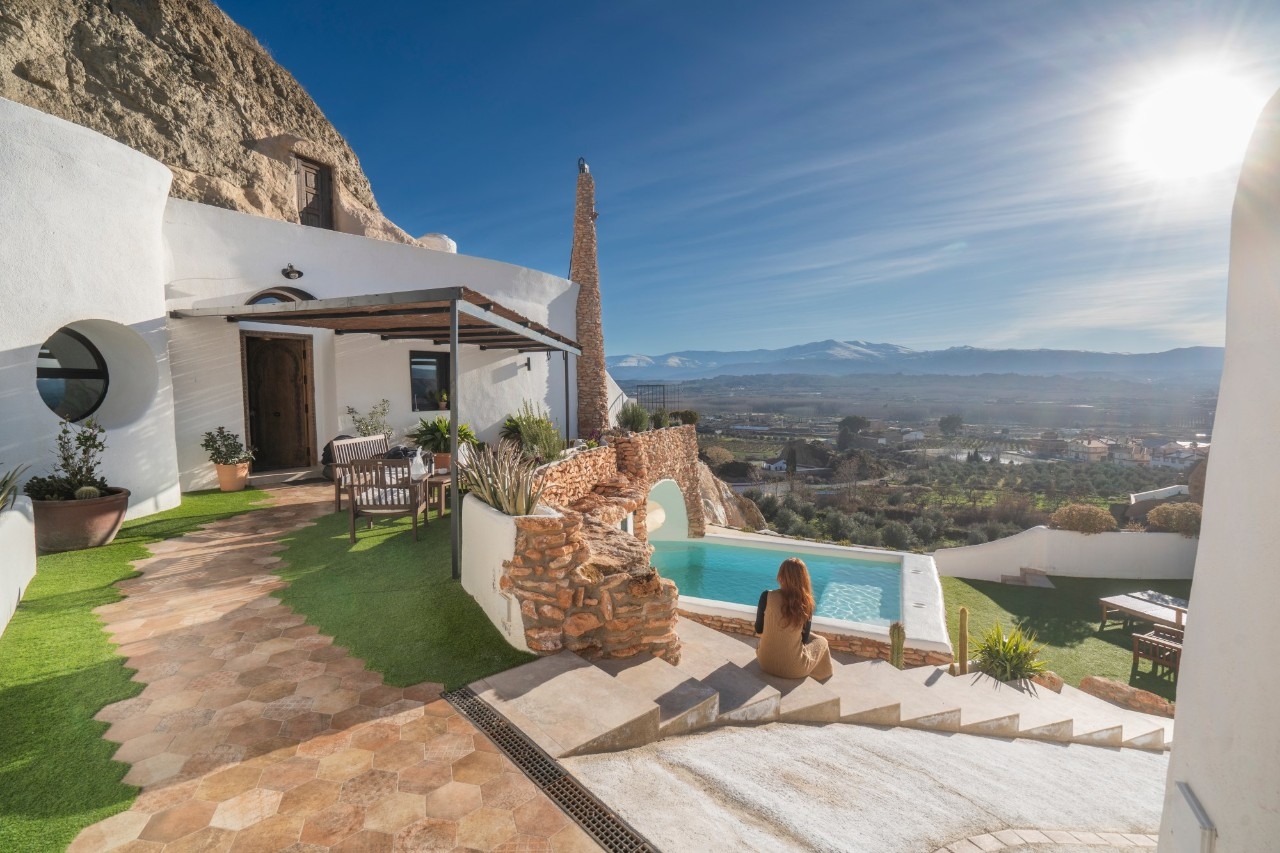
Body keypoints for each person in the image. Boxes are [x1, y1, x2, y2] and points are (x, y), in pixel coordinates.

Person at [754, 557, 834, 681]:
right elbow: (804, 639)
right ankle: (822, 675)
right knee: (822, 641)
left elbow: (759, 629)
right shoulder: (806, 603)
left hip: (764, 663)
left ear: (781, 575)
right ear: (804, 578)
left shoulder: (767, 596)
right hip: (794, 670)